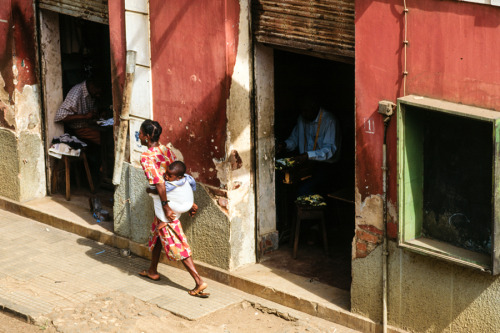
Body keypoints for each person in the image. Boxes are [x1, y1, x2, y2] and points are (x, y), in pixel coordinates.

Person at [138, 119, 209, 298]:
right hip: (174, 201)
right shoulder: (166, 150)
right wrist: (187, 201)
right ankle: (152, 270)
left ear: (146, 137)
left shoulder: (147, 157)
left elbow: (160, 183)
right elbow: (179, 177)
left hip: (166, 204)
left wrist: (166, 207)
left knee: (177, 240)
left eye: (140, 133)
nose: (138, 135)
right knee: (158, 235)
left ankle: (199, 281)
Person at [276, 93, 339, 196]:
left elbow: (330, 150)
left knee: (304, 190)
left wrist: (307, 156)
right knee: (287, 186)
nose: (303, 114)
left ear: (314, 107)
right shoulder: (302, 118)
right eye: (302, 111)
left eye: (306, 110)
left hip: (325, 166)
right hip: (306, 163)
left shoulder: (329, 120)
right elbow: (294, 139)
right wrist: (284, 145)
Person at [54, 75, 105, 145]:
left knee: (109, 131)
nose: (98, 95)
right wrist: (84, 116)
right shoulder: (76, 93)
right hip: (81, 129)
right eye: (97, 93)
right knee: (105, 138)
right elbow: (60, 116)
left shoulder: (90, 93)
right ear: (92, 86)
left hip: (90, 125)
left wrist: (98, 114)